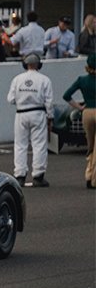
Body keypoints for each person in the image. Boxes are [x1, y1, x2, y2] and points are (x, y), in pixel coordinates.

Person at [7, 53, 52, 188]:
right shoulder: (45, 80)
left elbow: (10, 99)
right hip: (38, 113)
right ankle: (38, 175)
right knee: (39, 144)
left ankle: (20, 175)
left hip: (21, 113)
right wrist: (50, 116)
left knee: (20, 145)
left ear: (25, 64)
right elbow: (49, 101)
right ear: (39, 65)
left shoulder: (17, 79)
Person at [63, 54, 96, 189]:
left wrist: (79, 107)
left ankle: (88, 174)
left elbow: (66, 95)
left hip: (87, 112)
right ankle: (94, 178)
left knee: (90, 146)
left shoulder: (82, 80)